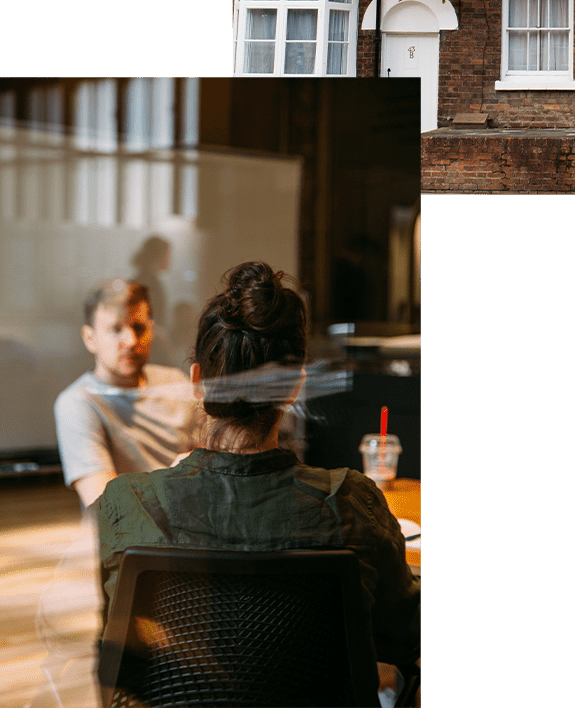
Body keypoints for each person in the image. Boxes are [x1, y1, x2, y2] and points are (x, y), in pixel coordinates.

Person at [96, 261, 420, 704]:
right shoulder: (352, 502)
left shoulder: (127, 504)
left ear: (197, 382)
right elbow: (405, 639)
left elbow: (122, 658)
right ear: (294, 388)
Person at [54, 278, 202, 508]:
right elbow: (107, 506)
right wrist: (175, 480)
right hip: (131, 540)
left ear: (151, 330)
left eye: (138, 327)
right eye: (115, 329)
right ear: (90, 338)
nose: (131, 341)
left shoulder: (176, 382)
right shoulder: (77, 403)